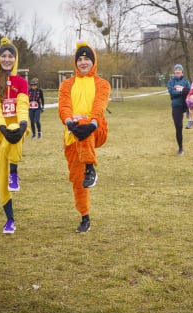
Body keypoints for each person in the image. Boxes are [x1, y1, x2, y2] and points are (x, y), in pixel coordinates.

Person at [58, 40, 110, 233]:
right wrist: (70, 123)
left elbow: (100, 105)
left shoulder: (102, 84)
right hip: (73, 133)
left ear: (93, 61)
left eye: (87, 58)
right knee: (77, 178)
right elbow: (64, 106)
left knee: (84, 123)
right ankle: (84, 217)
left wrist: (92, 124)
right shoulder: (67, 84)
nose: (83, 62)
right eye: (79, 59)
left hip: (97, 130)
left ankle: (90, 168)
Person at [0, 38, 30, 234]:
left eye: (10, 56)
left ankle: (14, 172)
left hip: (16, 126)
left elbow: (22, 106)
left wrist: (22, 123)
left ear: (15, 59)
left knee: (14, 131)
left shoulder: (21, 82)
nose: (7, 59)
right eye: (3, 56)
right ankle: (10, 220)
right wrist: (2, 127)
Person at [167, 64, 191, 155]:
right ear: (174, 72)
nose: (177, 72)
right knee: (179, 126)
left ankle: (189, 114)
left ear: (182, 72)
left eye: (179, 71)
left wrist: (186, 91)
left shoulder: (186, 81)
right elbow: (172, 92)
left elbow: (190, 91)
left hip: (185, 104)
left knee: (190, 98)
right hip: (176, 105)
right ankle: (180, 148)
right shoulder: (170, 82)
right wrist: (181, 91)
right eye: (176, 71)